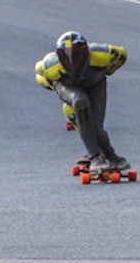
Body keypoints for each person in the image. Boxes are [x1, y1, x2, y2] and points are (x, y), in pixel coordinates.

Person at [35, 31, 129, 173]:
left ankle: (111, 155)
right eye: (65, 57)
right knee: (80, 101)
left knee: (97, 127)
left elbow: (122, 55)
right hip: (67, 86)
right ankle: (95, 156)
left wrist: (108, 71)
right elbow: (40, 76)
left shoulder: (103, 54)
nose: (72, 61)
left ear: (86, 51)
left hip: (96, 83)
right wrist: (54, 87)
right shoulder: (50, 66)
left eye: (77, 55)